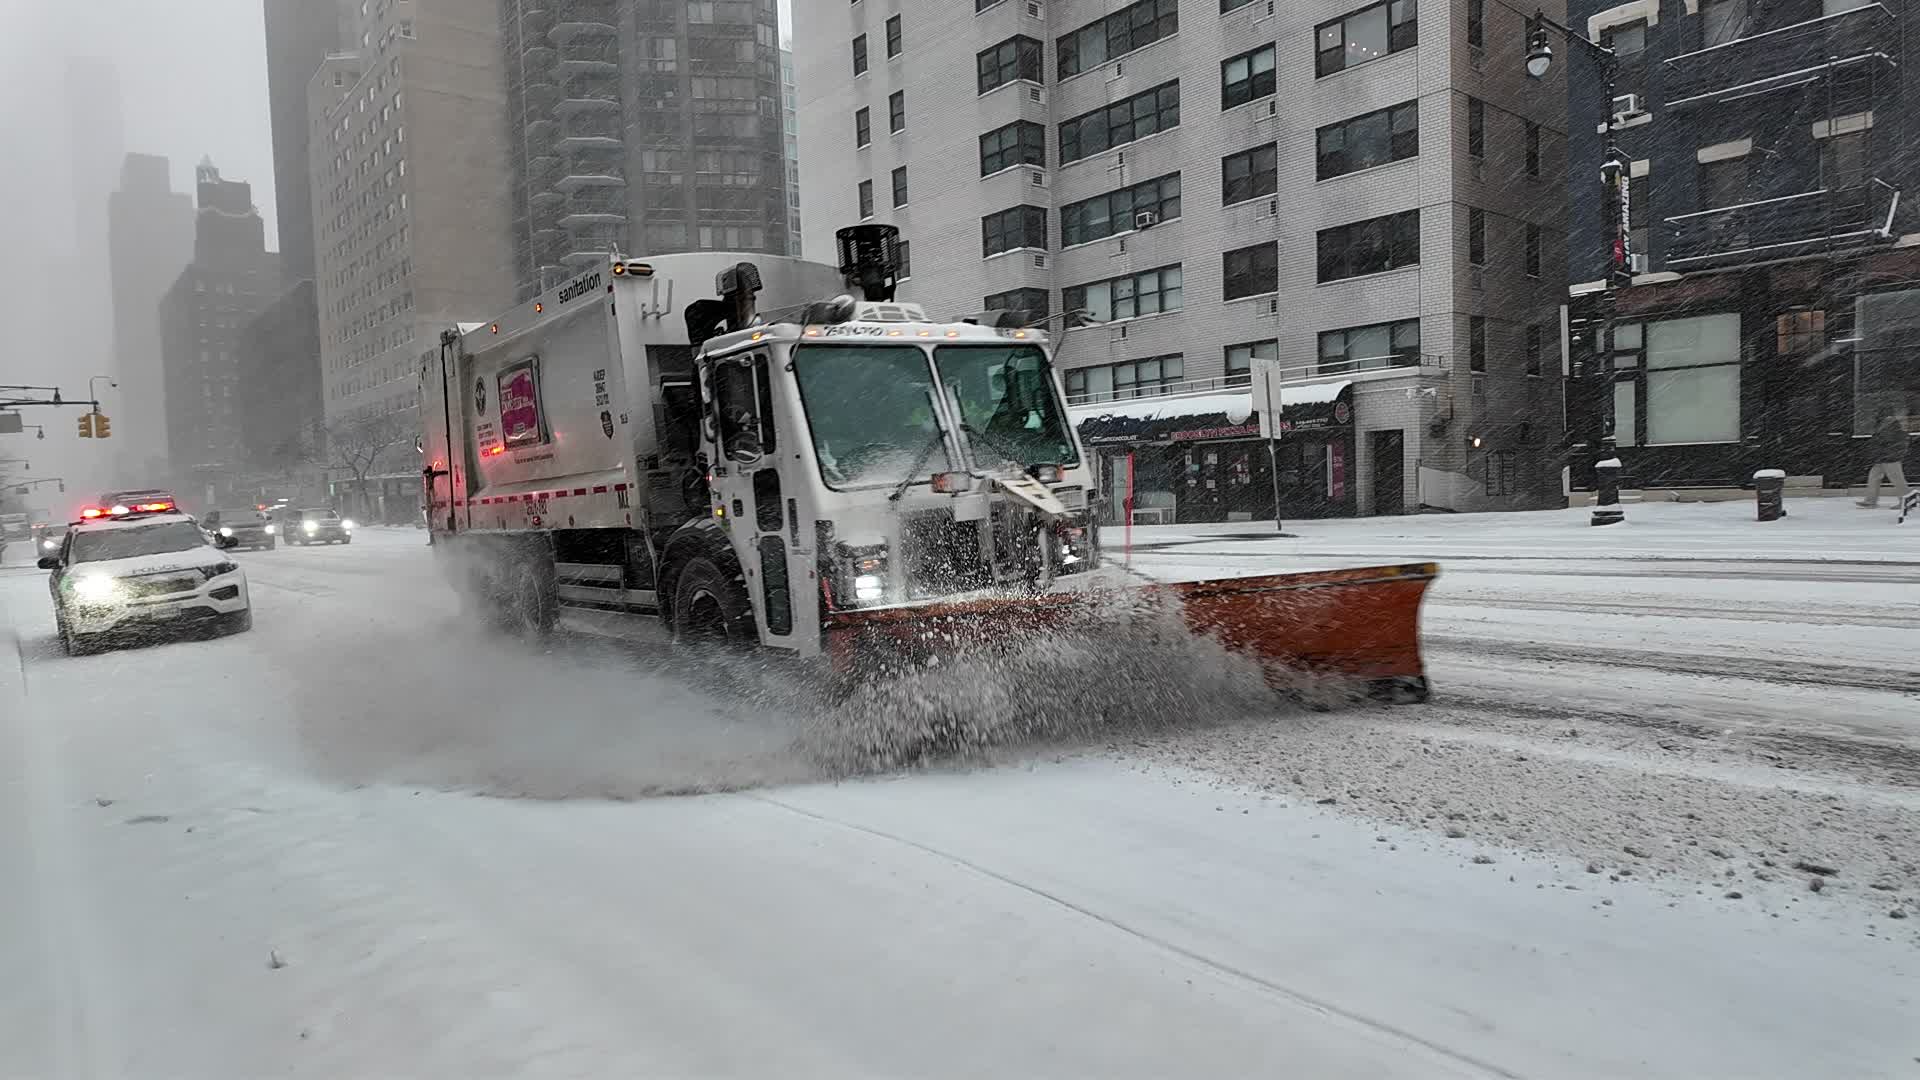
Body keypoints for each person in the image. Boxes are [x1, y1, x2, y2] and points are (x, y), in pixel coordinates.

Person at [1858, 408, 1910, 508]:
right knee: (1874, 477)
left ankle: (1905, 501)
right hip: (1883, 458)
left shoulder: (1889, 427)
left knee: (1897, 480)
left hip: (1890, 458)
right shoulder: (1885, 426)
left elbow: (1885, 443)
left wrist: (1883, 454)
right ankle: (1870, 501)